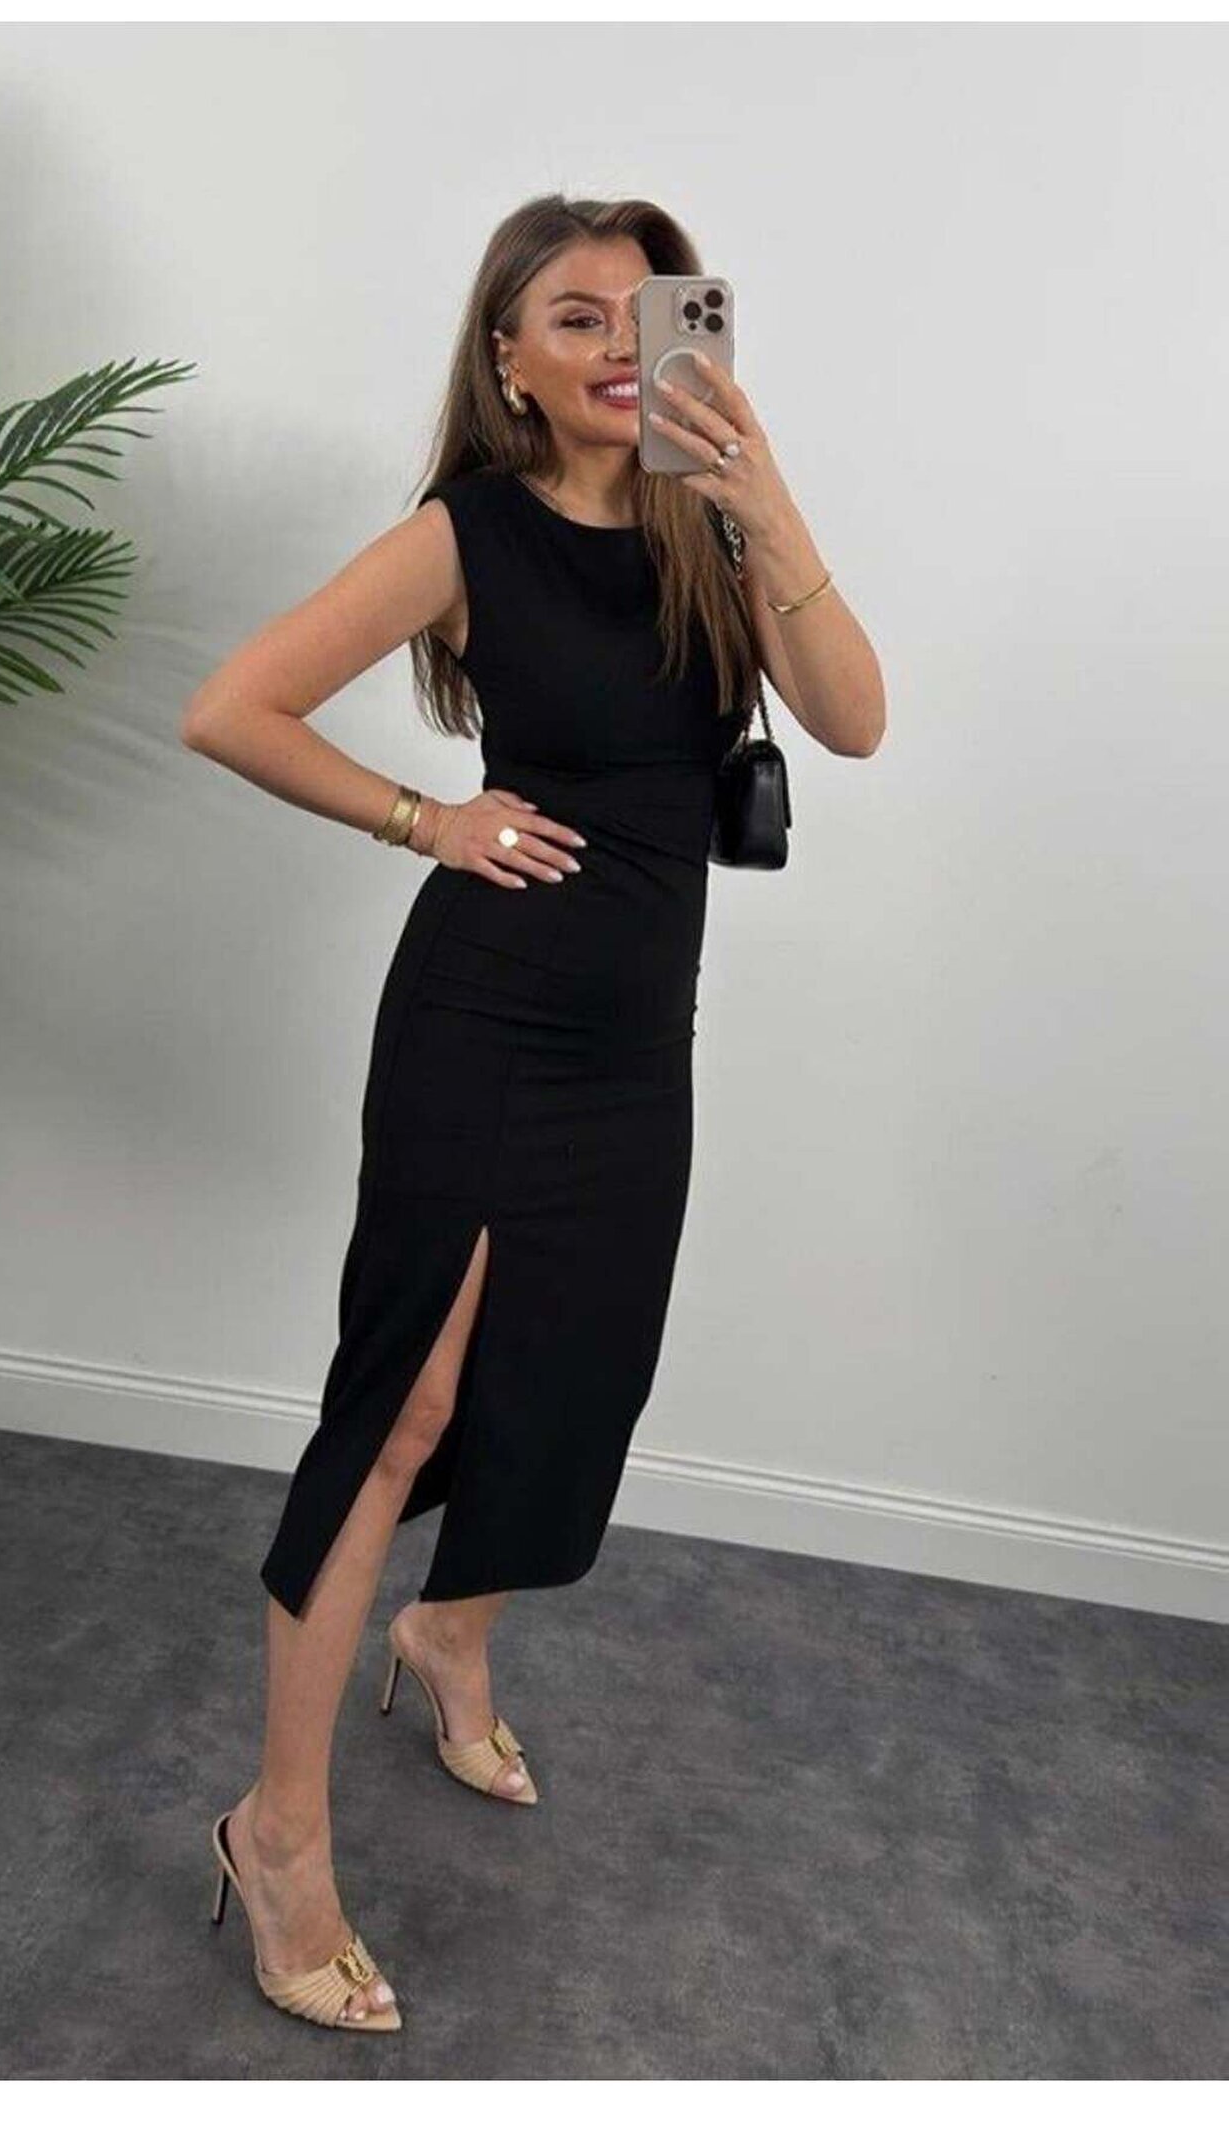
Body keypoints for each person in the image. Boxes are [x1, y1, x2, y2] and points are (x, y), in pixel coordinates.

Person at [181, 193, 886, 2033]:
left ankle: (447, 1638)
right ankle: (277, 1836)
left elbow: (854, 720)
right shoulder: (466, 535)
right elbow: (233, 708)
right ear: (505, 358)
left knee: (573, 1380)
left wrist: (763, 492)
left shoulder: (709, 531)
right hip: (485, 1029)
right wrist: (430, 820)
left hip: (638, 1045)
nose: (612, 347)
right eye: (572, 317)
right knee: (405, 1413)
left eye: (642, 316)